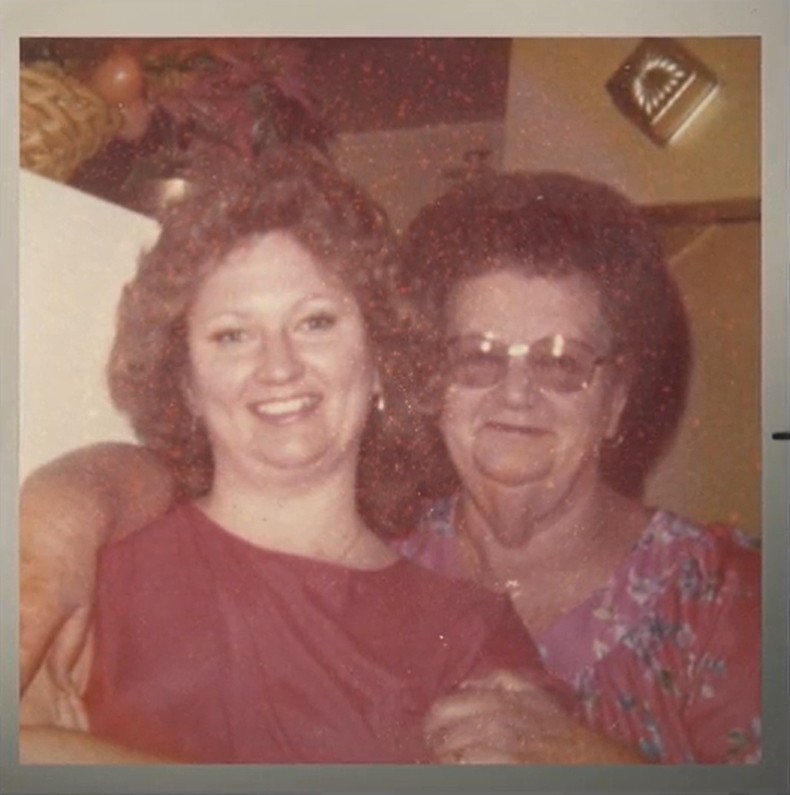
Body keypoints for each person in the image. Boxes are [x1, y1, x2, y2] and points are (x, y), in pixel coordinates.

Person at [21, 167, 759, 765]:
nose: (279, 367)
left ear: (381, 358)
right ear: (183, 379)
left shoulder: (471, 630)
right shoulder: (93, 576)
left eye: (316, 321)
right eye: (232, 335)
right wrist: (60, 505)